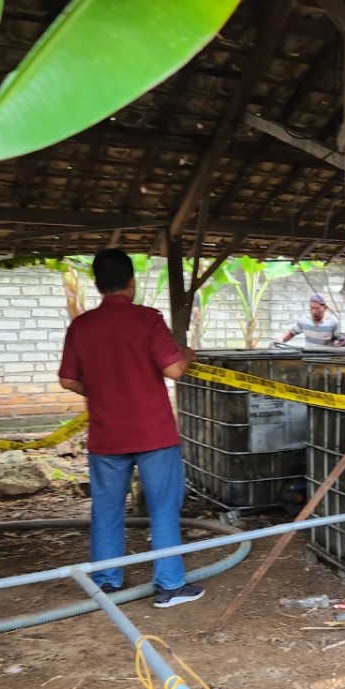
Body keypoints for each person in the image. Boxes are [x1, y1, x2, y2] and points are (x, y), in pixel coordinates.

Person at [58, 249, 202, 609]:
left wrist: (101, 391)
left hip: (107, 436)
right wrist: (188, 354)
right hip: (154, 434)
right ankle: (169, 586)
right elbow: (173, 371)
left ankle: (106, 584)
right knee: (163, 509)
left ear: (97, 284)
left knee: (106, 510)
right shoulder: (147, 320)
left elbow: (67, 379)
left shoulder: (82, 326)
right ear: (131, 283)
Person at [278, 295, 345, 347]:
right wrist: (280, 340)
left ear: (325, 308)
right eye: (311, 308)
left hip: (326, 361)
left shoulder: (333, 322)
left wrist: (337, 346)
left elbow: (342, 341)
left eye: (317, 309)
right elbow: (291, 333)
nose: (313, 312)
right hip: (308, 360)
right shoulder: (304, 321)